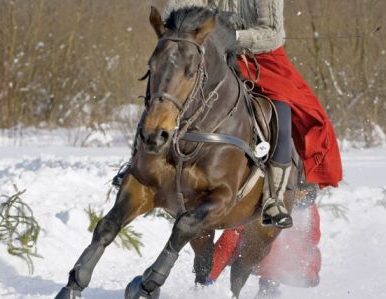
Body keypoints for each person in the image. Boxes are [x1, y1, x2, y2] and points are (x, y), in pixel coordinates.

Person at [113, 0, 343, 229]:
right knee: (163, 96)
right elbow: (180, 8)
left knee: (281, 115)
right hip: (213, 56)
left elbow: (272, 35)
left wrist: (232, 37)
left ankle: (275, 197)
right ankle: (137, 166)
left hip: (261, 61)